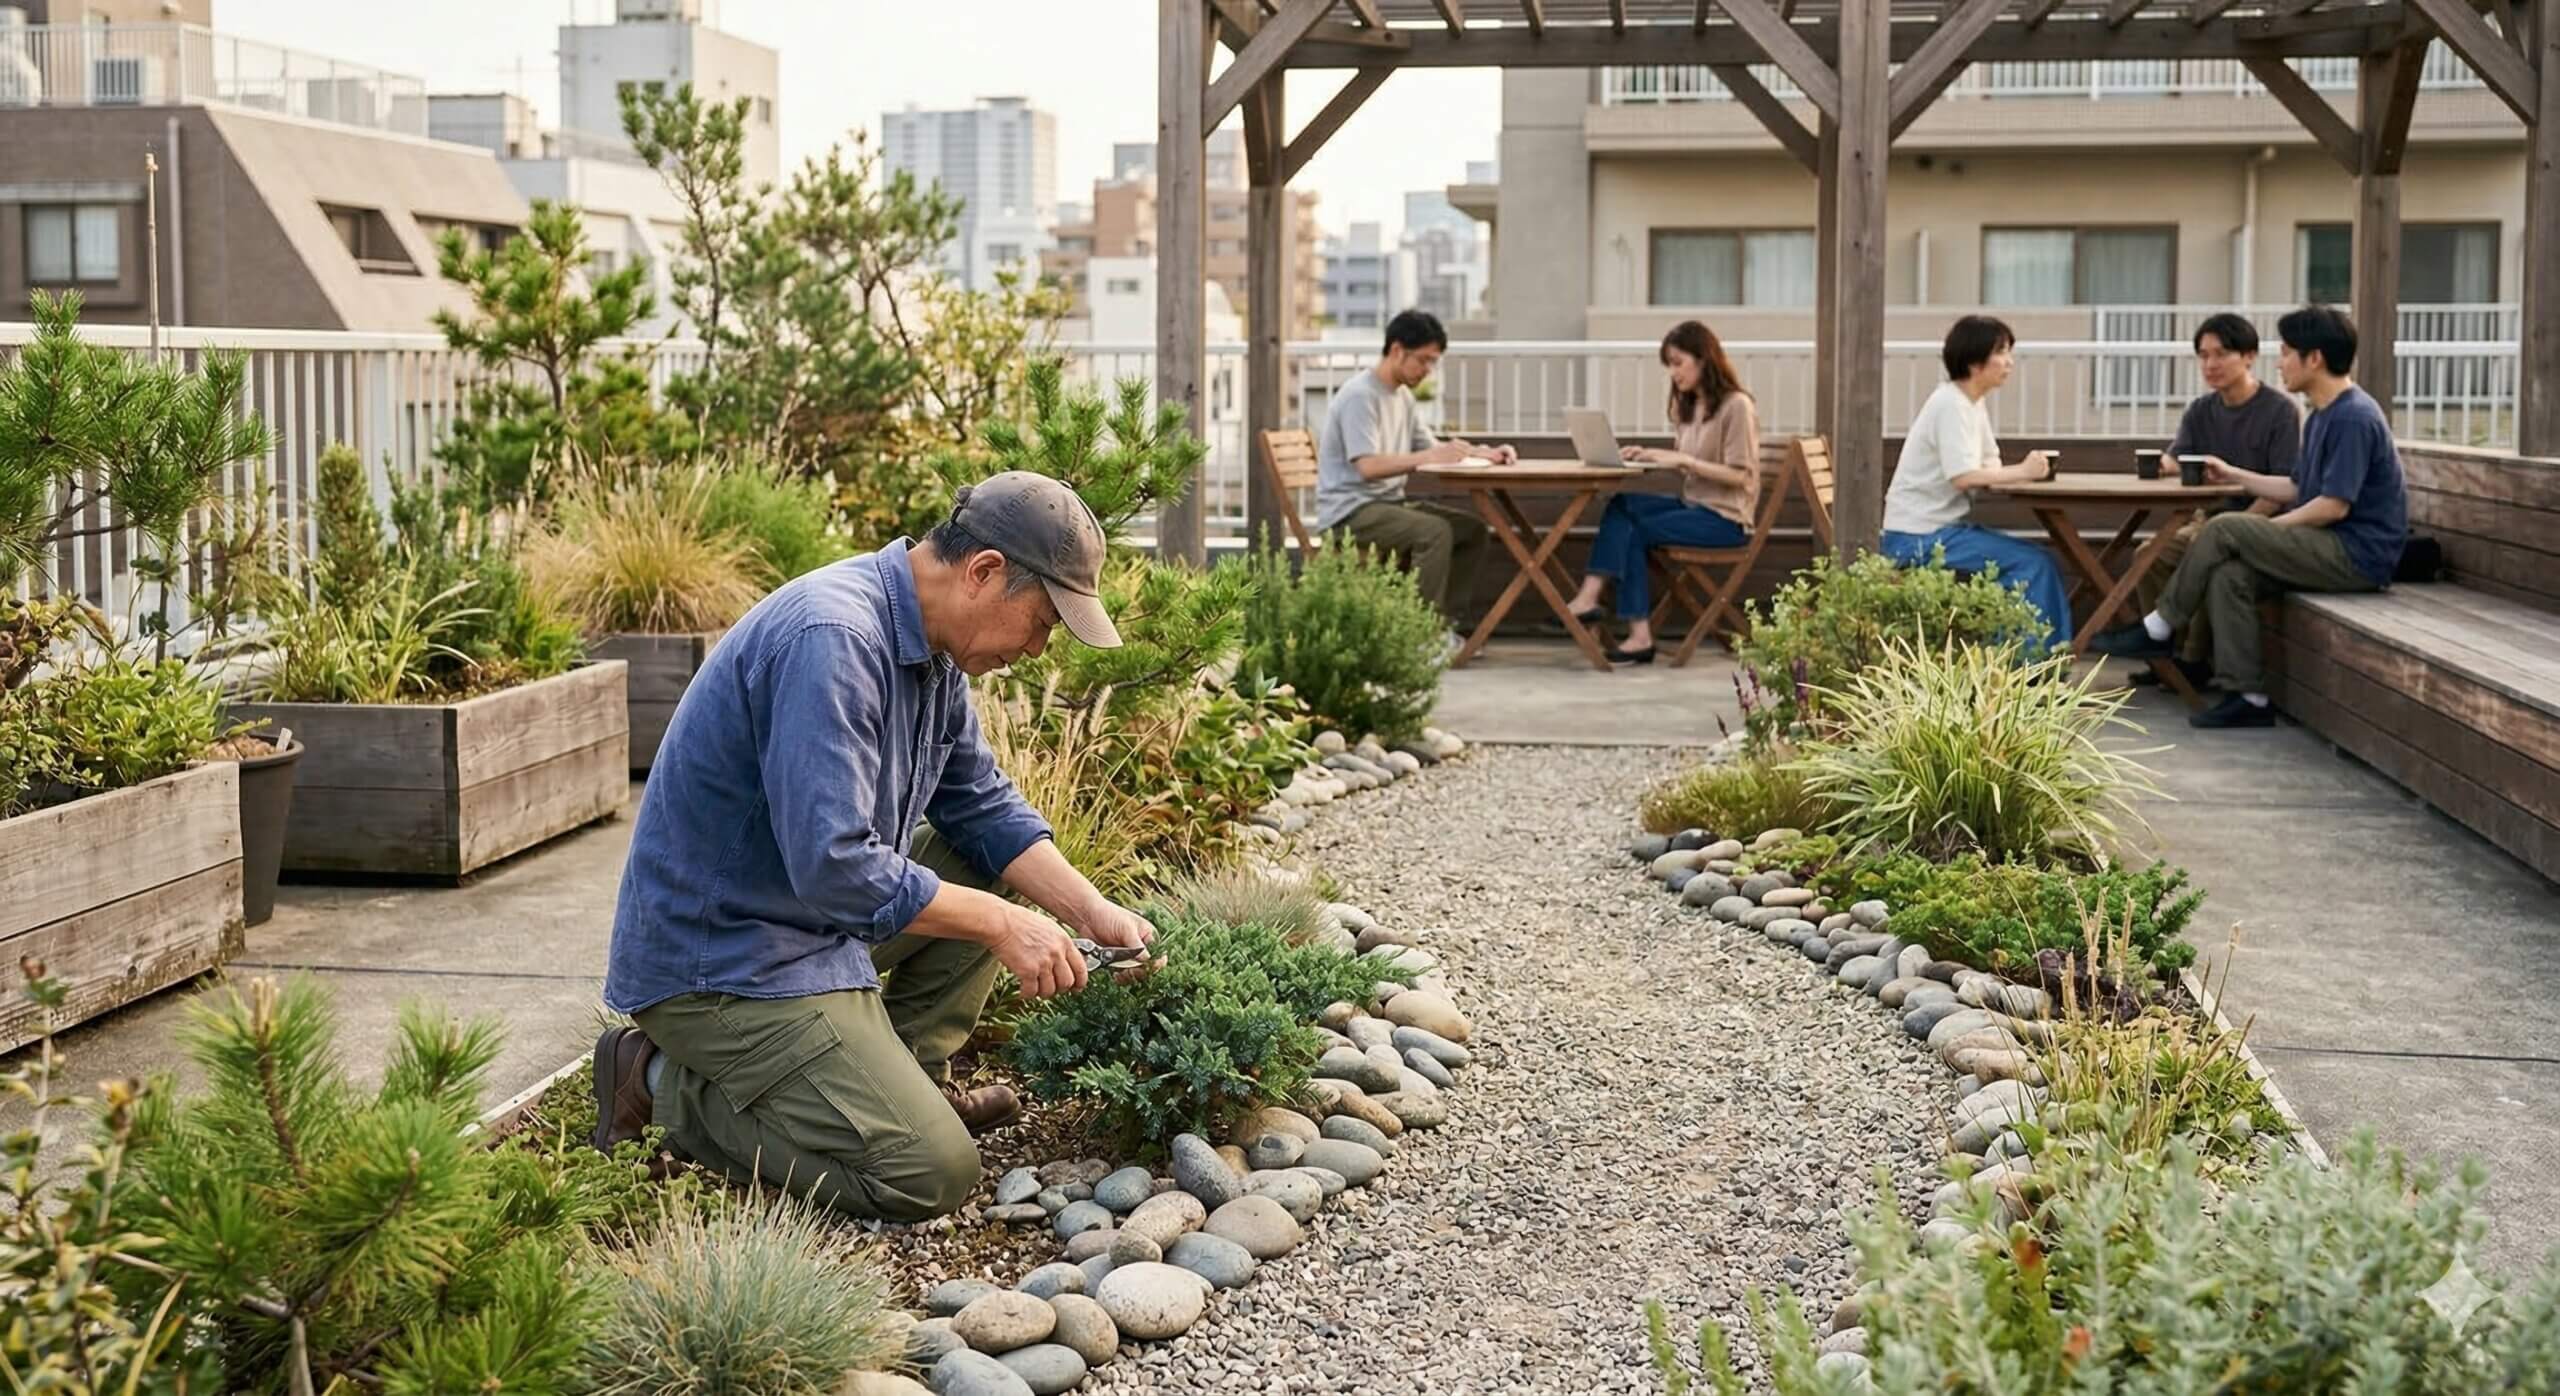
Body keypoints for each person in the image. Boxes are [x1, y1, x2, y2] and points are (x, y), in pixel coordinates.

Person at [590, 472, 1157, 1221]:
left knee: (981, 862)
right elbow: (836, 866)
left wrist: (1090, 911)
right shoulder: (835, 640)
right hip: (725, 960)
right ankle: (659, 1082)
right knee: (930, 1175)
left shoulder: (932, 646)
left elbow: (980, 806)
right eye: (1044, 622)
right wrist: (1001, 923)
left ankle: (908, 1081)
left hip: (803, 922)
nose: (1039, 648)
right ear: (985, 572)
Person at [2092, 305, 2408, 729]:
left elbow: (2334, 505)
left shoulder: (2353, 416)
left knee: (2225, 529)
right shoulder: (2321, 415)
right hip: (2328, 544)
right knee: (2230, 577)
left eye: (2286, 352)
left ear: (2313, 358)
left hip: (2356, 554)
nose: (2280, 363)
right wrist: (2235, 475)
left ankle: (2161, 625)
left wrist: (2260, 530)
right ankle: (2249, 696)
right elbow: (2297, 488)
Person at [1563, 319, 1761, 665]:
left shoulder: (1736, 406)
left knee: (1634, 531)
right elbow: (1684, 462)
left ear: (1704, 358)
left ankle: (1633, 631)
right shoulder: (1687, 406)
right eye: (1669, 365)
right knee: (1622, 505)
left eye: (1678, 362)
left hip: (1726, 520)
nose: (1673, 373)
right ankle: (1592, 599)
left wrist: (1682, 461)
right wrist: (1645, 456)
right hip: (1694, 506)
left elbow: (1741, 477)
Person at [1314, 308, 1517, 638]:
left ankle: (1443, 627)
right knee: (1435, 532)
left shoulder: (1402, 396)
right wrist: (1430, 454)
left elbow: (1432, 446)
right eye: (1423, 360)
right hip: (1349, 514)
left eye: (1433, 362)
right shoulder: (1359, 396)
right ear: (1396, 350)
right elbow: (1368, 466)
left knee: (1472, 530)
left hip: (1387, 505)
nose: (1428, 370)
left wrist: (1484, 453)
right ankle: (1418, 637)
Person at [2127, 312, 2304, 687]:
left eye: (2221, 354)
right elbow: (2178, 458)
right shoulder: (2201, 410)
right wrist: (2160, 465)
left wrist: (2238, 526)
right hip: (2205, 517)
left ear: (2250, 356)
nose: (2211, 364)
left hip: (2263, 522)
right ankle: (2166, 657)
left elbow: (2284, 487)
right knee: (2148, 556)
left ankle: (2194, 661)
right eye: (2203, 356)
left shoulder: (2280, 411)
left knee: (2206, 555)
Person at [1878, 315, 2071, 647]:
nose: (2009, 362)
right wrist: (2023, 472)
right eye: (2001, 352)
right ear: (1974, 361)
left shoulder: (1970, 403)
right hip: (1916, 539)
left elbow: (1988, 461)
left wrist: (2015, 471)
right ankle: (2022, 667)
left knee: (2036, 560)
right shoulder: (1951, 404)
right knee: (2032, 565)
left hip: (1939, 531)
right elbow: (1964, 477)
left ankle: (2040, 661)